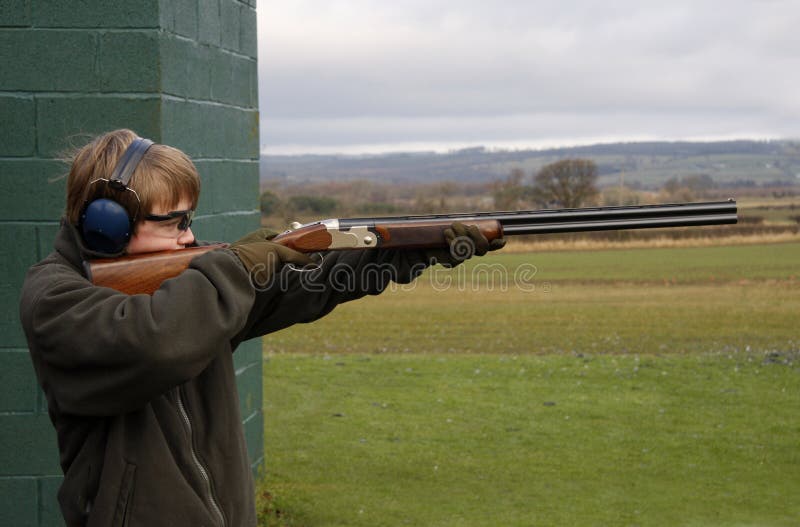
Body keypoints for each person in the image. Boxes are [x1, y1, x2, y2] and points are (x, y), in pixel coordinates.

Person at [19, 129, 504, 526]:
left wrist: (406, 251)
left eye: (191, 218)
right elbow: (158, 341)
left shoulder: (193, 283)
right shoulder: (55, 299)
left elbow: (309, 284)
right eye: (174, 221)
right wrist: (239, 266)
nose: (189, 235)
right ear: (107, 225)